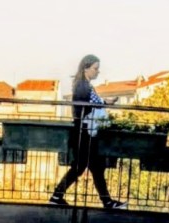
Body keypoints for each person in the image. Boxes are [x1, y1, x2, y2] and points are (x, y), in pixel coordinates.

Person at [48, 54, 124, 210]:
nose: (97, 72)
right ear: (86, 68)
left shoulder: (82, 84)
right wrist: (105, 103)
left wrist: (105, 102)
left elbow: (91, 102)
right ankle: (106, 202)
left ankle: (57, 196)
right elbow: (88, 104)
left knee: (85, 167)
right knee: (89, 167)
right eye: (95, 68)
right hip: (85, 131)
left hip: (83, 130)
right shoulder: (83, 85)